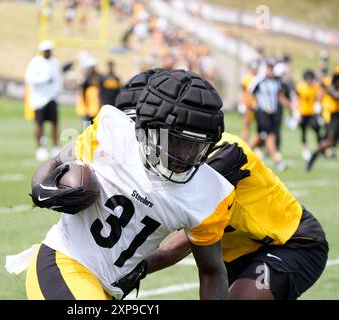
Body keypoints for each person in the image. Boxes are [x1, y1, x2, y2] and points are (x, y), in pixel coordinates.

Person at [7, 70, 236, 300]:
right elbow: (57, 161)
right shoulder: (111, 134)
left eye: (195, 147)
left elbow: (212, 271)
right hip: (62, 261)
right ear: (147, 129)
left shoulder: (212, 194)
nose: (184, 156)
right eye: (175, 142)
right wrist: (41, 189)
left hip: (110, 290)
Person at [112, 70, 329, 300]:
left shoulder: (225, 155)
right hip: (239, 251)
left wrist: (138, 267)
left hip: (291, 243)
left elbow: (187, 236)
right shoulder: (167, 160)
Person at [249, 58, 291, 171]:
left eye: (272, 68)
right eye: (269, 67)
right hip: (261, 112)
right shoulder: (259, 79)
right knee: (269, 136)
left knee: (262, 135)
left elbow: (280, 97)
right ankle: (278, 161)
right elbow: (249, 93)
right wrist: (249, 107)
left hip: (272, 113)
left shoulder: (277, 81)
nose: (271, 70)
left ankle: (245, 151)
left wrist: (290, 105)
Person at [25, 40, 63, 161]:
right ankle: (40, 148)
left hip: (52, 97)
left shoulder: (55, 63)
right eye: (46, 51)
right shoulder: (35, 62)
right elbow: (29, 79)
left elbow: (58, 79)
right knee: (39, 124)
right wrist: (45, 79)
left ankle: (55, 147)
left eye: (49, 51)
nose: (48, 53)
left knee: (55, 124)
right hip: (39, 99)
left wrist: (57, 90)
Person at [307, 66, 339, 171]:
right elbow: (332, 94)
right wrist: (317, 110)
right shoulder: (328, 83)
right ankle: (314, 155)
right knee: (329, 141)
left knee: (332, 142)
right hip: (331, 115)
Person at [295, 70, 322, 160]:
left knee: (317, 128)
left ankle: (320, 148)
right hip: (302, 113)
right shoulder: (300, 87)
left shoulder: (315, 87)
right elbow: (296, 99)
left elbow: (318, 97)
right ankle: (305, 150)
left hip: (312, 113)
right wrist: (297, 112)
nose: (310, 81)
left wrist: (318, 105)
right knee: (303, 132)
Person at [76, 57, 101, 125]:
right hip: (87, 107)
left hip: (95, 107)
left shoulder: (98, 77)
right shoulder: (86, 79)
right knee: (86, 128)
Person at [239, 60, 258, 145]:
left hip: (256, 104)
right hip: (247, 104)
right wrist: (242, 102)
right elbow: (243, 92)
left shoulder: (258, 78)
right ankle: (245, 142)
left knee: (258, 126)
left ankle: (253, 144)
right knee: (247, 124)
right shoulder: (246, 78)